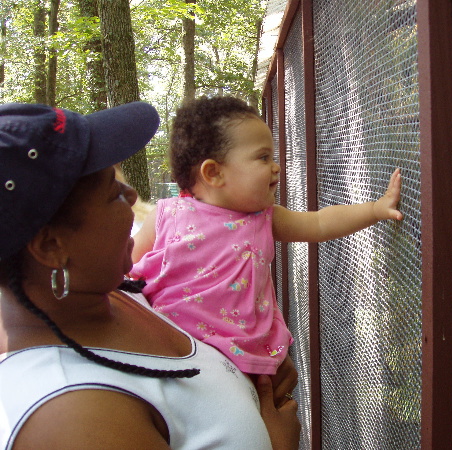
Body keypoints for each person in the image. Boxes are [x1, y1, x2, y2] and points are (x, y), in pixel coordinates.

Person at [0, 101, 300, 449]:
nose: (132, 197)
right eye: (113, 192)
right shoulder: (72, 419)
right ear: (52, 246)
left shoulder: (111, 292)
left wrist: (256, 363)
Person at [130, 95, 403, 399]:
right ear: (214, 173)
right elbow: (128, 274)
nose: (276, 167)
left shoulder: (263, 219)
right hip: (173, 353)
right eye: (263, 158)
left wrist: (375, 210)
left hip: (244, 366)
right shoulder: (167, 214)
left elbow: (319, 223)